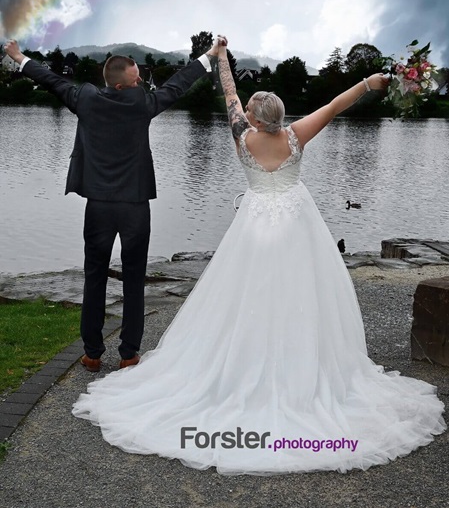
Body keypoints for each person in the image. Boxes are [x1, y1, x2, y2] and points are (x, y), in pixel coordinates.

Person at [72, 36, 445, 475]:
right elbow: (336, 104)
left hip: (253, 226)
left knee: (241, 298)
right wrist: (372, 81)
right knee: (302, 297)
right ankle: (301, 369)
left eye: (247, 107)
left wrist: (222, 56)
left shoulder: (242, 137)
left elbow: (228, 92)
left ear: (252, 116)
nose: (241, 108)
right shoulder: (296, 133)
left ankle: (239, 368)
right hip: (296, 226)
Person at [4, 39, 214, 371]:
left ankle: (92, 353)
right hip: (135, 208)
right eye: (136, 79)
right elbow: (177, 86)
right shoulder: (142, 105)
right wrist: (208, 58)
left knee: (95, 277)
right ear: (120, 83)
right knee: (133, 280)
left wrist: (18, 57)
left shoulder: (85, 99)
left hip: (99, 207)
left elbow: (50, 79)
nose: (141, 82)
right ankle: (129, 354)